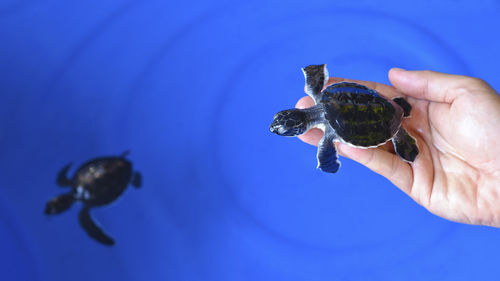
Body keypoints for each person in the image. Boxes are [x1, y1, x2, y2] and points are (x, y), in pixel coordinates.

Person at [295, 68, 500, 228]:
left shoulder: (327, 133)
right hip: (376, 104)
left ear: (301, 127)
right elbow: (317, 76)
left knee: (390, 136)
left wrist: (326, 162)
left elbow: (328, 156)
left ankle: (400, 133)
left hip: (382, 122)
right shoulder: (323, 94)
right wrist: (314, 73)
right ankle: (400, 117)